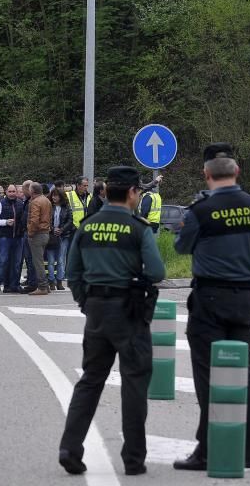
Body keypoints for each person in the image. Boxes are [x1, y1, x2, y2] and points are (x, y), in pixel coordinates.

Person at [59, 166, 164, 476]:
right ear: (132, 192)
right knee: (134, 382)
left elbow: (72, 272)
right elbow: (157, 272)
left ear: (104, 192)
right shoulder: (138, 228)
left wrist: (85, 302)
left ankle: (69, 447)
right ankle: (133, 459)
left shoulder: (87, 226)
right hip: (129, 313)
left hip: (96, 311)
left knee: (90, 381)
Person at [172, 144, 250, 472]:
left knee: (207, 375)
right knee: (244, 372)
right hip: (245, 299)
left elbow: (181, 246)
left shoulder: (200, 211)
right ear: (237, 171)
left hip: (210, 299)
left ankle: (208, 450)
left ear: (207, 174)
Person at [0, 184, 25, 294]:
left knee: (17, 262)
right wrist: (5, 222)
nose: (12, 193)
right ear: (6, 192)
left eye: (13, 191)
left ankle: (13, 285)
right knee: (2, 261)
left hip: (18, 237)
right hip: (4, 236)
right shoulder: (0, 204)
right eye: (10, 191)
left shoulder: (21, 204)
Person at [26, 182, 53, 296]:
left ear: (32, 191)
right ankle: (45, 286)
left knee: (38, 262)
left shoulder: (35, 202)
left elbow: (34, 220)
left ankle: (42, 286)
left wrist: (30, 233)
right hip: (45, 232)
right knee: (40, 260)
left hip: (37, 234)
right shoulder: (46, 200)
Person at [46, 187, 74, 291]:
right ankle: (51, 281)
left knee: (61, 260)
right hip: (51, 236)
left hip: (63, 236)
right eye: (53, 195)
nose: (54, 197)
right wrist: (53, 229)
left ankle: (59, 281)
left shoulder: (67, 206)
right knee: (50, 260)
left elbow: (70, 220)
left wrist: (61, 229)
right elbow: (46, 219)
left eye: (56, 195)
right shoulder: (49, 206)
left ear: (61, 196)